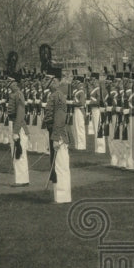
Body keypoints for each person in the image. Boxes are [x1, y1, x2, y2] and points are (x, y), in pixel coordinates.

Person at [47, 66, 72, 203]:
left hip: (59, 134)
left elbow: (60, 119)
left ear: (55, 80)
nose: (45, 81)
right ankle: (59, 196)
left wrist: (56, 138)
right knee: (56, 165)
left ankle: (63, 197)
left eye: (48, 79)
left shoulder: (59, 96)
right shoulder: (54, 95)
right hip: (54, 133)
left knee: (61, 166)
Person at [7, 72, 29, 186]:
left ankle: (22, 180)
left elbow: (20, 114)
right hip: (13, 124)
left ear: (15, 83)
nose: (8, 83)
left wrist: (15, 131)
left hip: (18, 126)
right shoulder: (13, 94)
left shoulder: (18, 95)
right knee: (16, 152)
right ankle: (21, 179)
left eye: (10, 81)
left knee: (18, 152)